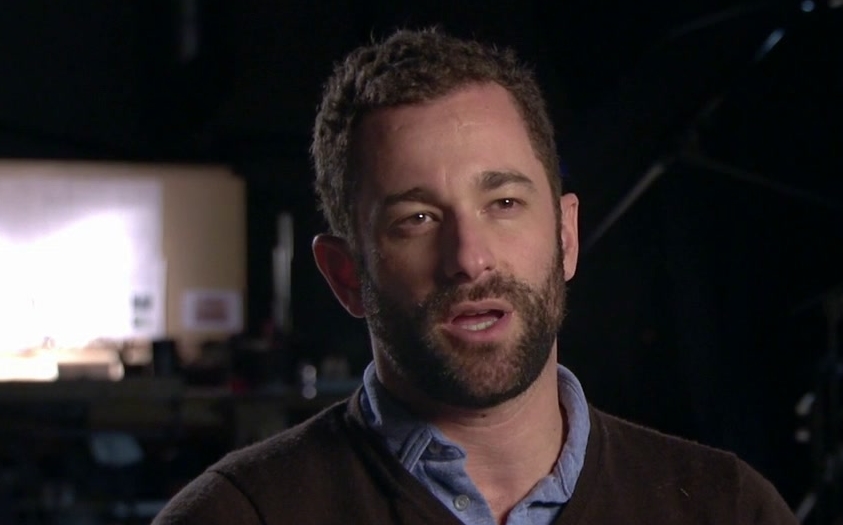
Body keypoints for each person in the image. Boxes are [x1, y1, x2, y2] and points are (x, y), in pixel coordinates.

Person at [152, 28, 798, 524]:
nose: (469, 257)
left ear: (566, 236)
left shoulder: (724, 508)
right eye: (416, 218)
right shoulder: (237, 517)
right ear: (345, 275)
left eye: (504, 203)